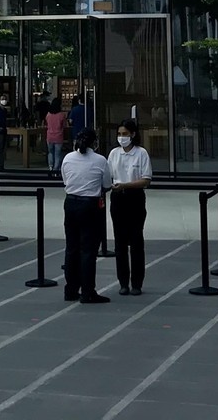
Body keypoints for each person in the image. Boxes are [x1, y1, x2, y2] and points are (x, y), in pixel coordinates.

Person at [59, 128, 113, 304]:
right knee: (88, 250)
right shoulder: (100, 160)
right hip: (90, 204)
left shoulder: (68, 158)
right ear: (94, 143)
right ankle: (88, 290)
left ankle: (71, 289)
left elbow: (66, 180)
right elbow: (106, 184)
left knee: (71, 247)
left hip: (71, 202)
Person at [107, 121, 152, 296]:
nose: (122, 137)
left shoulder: (141, 153)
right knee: (120, 242)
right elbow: (108, 175)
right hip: (118, 198)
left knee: (136, 241)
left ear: (133, 134)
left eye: (125, 134)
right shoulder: (113, 153)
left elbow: (146, 180)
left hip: (135, 198)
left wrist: (126, 184)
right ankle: (123, 282)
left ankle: (137, 283)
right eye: (119, 134)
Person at [44, 99, 68, 173]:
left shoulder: (48, 115)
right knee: (57, 154)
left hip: (49, 136)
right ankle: (56, 169)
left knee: (50, 152)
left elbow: (46, 124)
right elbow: (64, 125)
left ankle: (50, 166)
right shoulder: (62, 115)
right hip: (58, 136)